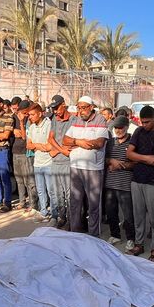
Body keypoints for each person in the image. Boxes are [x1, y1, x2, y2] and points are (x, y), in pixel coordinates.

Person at [126, 105, 154, 260]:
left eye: (147, 122)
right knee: (138, 214)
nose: (144, 125)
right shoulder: (138, 131)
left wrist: (140, 157)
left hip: (153, 181)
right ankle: (139, 243)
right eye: (142, 122)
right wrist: (148, 158)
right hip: (137, 179)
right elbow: (129, 153)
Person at [64, 95, 109, 236]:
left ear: (91, 107)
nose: (81, 111)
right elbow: (65, 140)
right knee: (75, 201)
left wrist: (78, 142)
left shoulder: (100, 119)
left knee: (94, 204)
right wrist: (79, 142)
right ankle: (75, 233)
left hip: (93, 169)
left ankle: (94, 235)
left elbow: (99, 143)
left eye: (83, 108)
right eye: (79, 108)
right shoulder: (76, 120)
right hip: (76, 167)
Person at [104, 116, 135, 248]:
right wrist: (111, 161)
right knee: (111, 211)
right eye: (116, 128)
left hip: (125, 184)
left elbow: (136, 162)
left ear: (127, 127)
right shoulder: (110, 142)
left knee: (128, 214)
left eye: (121, 127)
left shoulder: (133, 141)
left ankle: (131, 238)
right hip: (110, 183)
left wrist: (122, 165)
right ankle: (115, 235)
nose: (118, 130)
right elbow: (103, 159)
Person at [47, 96, 73, 227]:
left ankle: (71, 220)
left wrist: (57, 150)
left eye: (57, 108)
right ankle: (61, 217)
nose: (55, 111)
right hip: (56, 162)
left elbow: (71, 144)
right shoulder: (54, 120)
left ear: (64, 104)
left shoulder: (73, 120)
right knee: (57, 194)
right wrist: (61, 150)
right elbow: (50, 139)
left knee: (69, 194)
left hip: (68, 163)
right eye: (53, 109)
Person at [25, 103, 54, 221]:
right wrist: (40, 146)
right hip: (37, 163)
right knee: (41, 190)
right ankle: (43, 211)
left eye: (32, 114)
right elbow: (28, 145)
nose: (30, 117)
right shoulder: (32, 127)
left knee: (51, 190)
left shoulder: (49, 125)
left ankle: (54, 212)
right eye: (29, 115)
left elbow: (49, 146)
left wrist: (36, 145)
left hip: (48, 163)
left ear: (40, 113)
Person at [11, 101, 36, 212]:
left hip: (25, 152)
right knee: (19, 179)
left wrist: (21, 123)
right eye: (20, 111)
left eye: (24, 112)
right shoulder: (12, 118)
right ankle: (22, 202)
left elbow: (24, 137)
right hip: (15, 151)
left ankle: (32, 203)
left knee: (28, 181)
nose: (22, 114)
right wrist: (12, 130)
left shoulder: (29, 119)